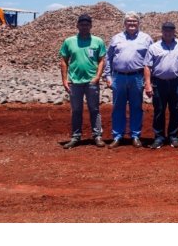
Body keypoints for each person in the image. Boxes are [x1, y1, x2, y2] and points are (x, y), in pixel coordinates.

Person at [104, 12, 153, 148]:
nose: (132, 23)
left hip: (137, 77)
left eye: (134, 21)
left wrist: (148, 80)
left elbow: (150, 60)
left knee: (136, 107)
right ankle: (117, 136)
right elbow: (108, 57)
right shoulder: (116, 38)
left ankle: (135, 135)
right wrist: (108, 76)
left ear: (138, 23)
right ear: (124, 23)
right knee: (118, 107)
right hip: (118, 77)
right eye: (129, 21)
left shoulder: (146, 38)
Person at [59, 13, 107, 149]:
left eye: (87, 24)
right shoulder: (69, 41)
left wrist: (97, 77)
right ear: (77, 25)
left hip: (92, 82)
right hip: (75, 82)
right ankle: (76, 136)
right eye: (82, 24)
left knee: (94, 109)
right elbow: (63, 61)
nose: (84, 27)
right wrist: (64, 80)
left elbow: (102, 60)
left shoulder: (98, 41)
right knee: (76, 110)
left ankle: (97, 135)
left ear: (91, 26)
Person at [144, 21, 178, 149]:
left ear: (174, 32)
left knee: (176, 110)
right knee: (159, 110)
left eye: (170, 31)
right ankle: (159, 137)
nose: (168, 33)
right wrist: (148, 84)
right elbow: (147, 66)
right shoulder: (154, 47)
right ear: (162, 31)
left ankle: (173, 136)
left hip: (177, 82)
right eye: (165, 30)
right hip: (159, 82)